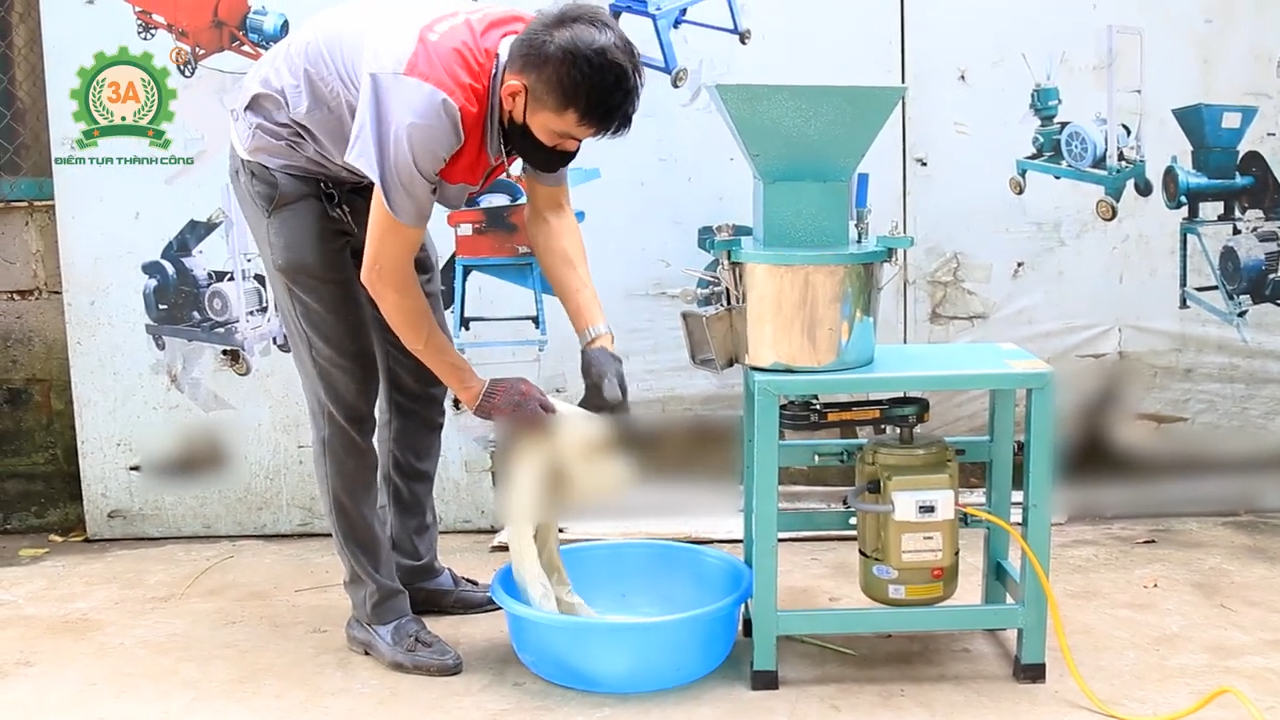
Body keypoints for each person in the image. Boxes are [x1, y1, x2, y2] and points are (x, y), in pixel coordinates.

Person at [225, 0, 644, 677]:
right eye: (564, 137)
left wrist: (599, 341)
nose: (565, 152)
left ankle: (416, 569)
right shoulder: (427, 104)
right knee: (346, 394)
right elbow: (384, 276)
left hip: (370, 166)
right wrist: (478, 389)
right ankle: (377, 609)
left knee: (420, 381)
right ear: (514, 96)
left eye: (580, 142)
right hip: (291, 163)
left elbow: (550, 212)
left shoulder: (550, 74)